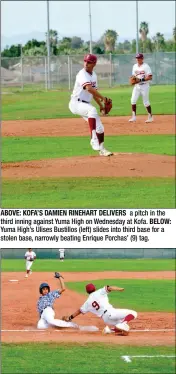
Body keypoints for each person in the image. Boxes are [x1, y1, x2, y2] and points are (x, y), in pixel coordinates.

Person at [69, 54, 113, 156]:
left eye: (89, 62)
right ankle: (93, 138)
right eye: (85, 61)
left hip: (85, 105)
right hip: (76, 103)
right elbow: (88, 88)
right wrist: (103, 98)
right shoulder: (82, 74)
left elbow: (93, 93)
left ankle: (102, 150)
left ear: (94, 64)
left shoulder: (94, 76)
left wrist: (101, 106)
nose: (86, 63)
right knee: (92, 110)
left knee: (100, 128)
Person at [62, 283, 137, 335]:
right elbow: (109, 288)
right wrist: (119, 289)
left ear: (87, 292)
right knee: (133, 313)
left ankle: (110, 330)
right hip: (111, 312)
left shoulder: (87, 302)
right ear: (94, 288)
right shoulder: (99, 292)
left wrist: (69, 318)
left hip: (106, 319)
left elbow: (79, 311)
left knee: (124, 327)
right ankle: (121, 324)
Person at [129, 53, 153, 123]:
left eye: (139, 58)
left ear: (142, 58)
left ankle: (150, 117)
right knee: (133, 100)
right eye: (136, 58)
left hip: (145, 86)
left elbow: (150, 77)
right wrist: (133, 80)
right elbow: (134, 76)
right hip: (137, 86)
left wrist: (140, 80)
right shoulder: (134, 66)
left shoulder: (146, 66)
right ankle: (133, 117)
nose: (137, 59)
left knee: (146, 102)